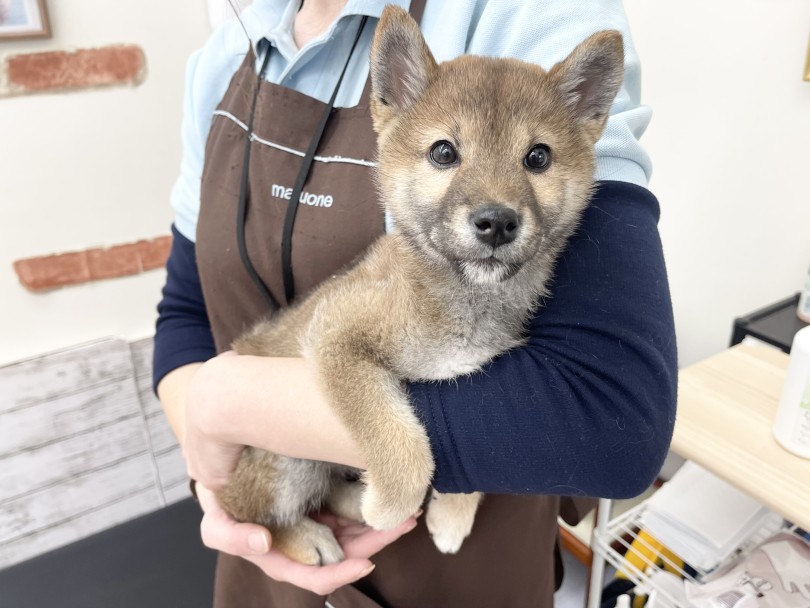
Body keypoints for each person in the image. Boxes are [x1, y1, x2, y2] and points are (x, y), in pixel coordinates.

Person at [153, 0, 678, 606]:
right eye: (444, 154)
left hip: (468, 579)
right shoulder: (222, 56)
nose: (494, 205)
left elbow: (614, 423)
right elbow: (186, 312)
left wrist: (226, 404)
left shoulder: (533, 13)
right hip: (260, 565)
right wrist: (210, 459)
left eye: (535, 160)